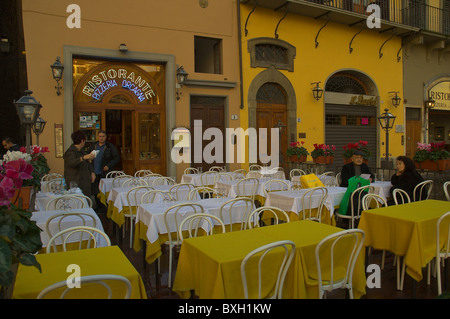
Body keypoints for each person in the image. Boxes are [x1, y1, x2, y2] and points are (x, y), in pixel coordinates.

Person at [89, 130, 119, 211]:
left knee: (104, 190)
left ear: (106, 137)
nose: (101, 138)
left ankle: (105, 207)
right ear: (97, 137)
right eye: (100, 136)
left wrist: (108, 166)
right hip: (95, 172)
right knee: (95, 190)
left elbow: (116, 158)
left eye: (103, 136)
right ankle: (98, 206)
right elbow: (88, 155)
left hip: (104, 173)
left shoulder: (110, 147)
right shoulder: (94, 146)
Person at [64, 130, 95, 198]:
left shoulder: (81, 151)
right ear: (82, 140)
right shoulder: (70, 151)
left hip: (85, 183)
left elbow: (87, 163)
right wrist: (83, 158)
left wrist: (92, 172)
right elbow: (71, 163)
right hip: (76, 185)